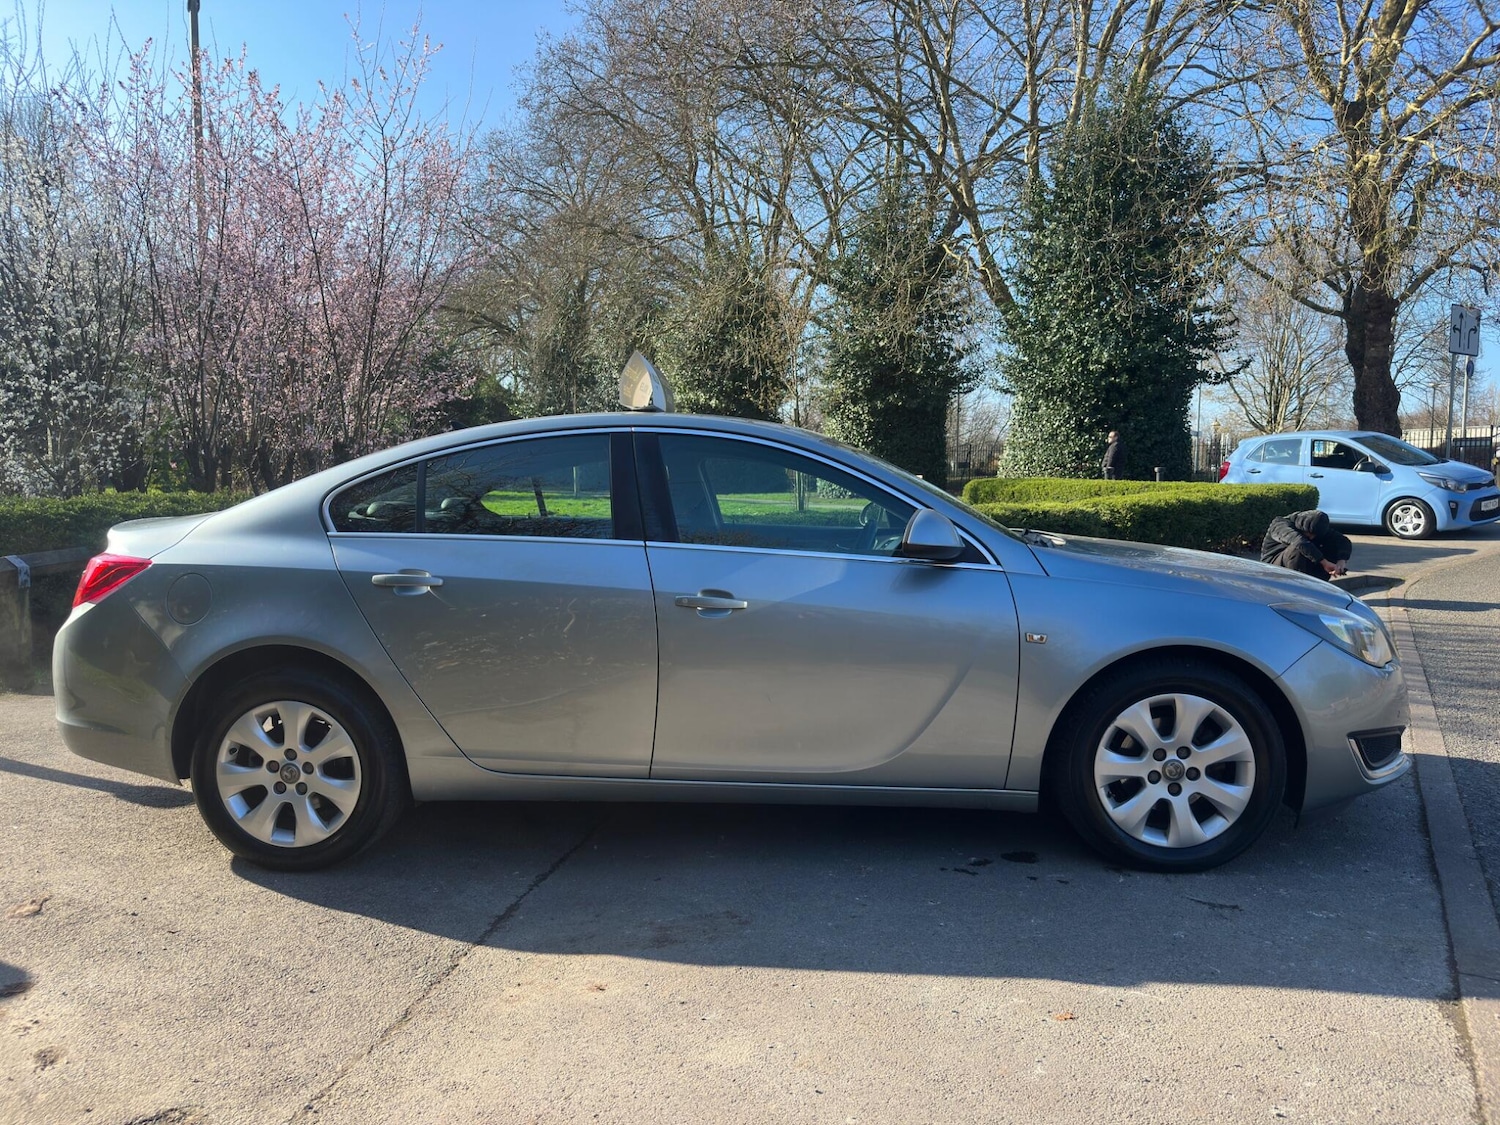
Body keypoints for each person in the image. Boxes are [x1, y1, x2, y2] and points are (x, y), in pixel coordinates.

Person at [1260, 510, 1352, 580]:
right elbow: (1299, 542)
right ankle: (1299, 585)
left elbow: (1343, 541)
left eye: (1315, 535)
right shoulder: (1280, 525)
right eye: (1309, 534)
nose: (1312, 537)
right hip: (1273, 569)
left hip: (1305, 566)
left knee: (1330, 544)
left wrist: (1341, 561)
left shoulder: (1320, 531)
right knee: (1299, 548)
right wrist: (1324, 562)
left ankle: (1318, 584)